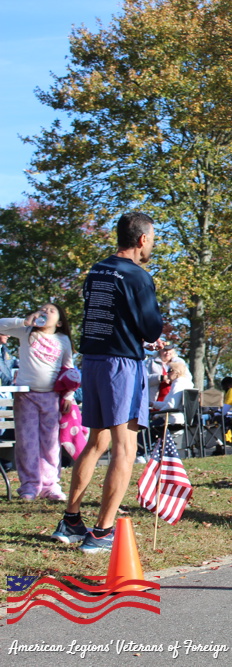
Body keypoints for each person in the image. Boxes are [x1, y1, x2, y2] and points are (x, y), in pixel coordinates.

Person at [51, 212, 164, 554]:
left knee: (96, 442)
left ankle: (71, 520)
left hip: (94, 361)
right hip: (122, 365)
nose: (152, 245)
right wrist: (149, 337)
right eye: (152, 239)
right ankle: (101, 532)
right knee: (125, 448)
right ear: (142, 239)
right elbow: (151, 328)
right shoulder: (139, 276)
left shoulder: (96, 271)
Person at [0, 304, 76, 501]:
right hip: (26, 397)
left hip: (51, 397)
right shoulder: (27, 332)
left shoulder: (63, 340)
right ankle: (30, 485)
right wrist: (24, 321)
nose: (45, 312)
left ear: (59, 322)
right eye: (42, 309)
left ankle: (50, 485)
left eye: (51, 311)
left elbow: (69, 370)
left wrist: (68, 396)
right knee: (27, 442)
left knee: (50, 443)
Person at [150, 361, 194, 425]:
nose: (167, 373)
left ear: (176, 372)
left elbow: (171, 406)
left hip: (172, 419)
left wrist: (157, 415)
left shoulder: (178, 384)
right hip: (179, 418)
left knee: (145, 429)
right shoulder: (185, 383)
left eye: (169, 370)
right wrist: (153, 404)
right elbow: (168, 404)